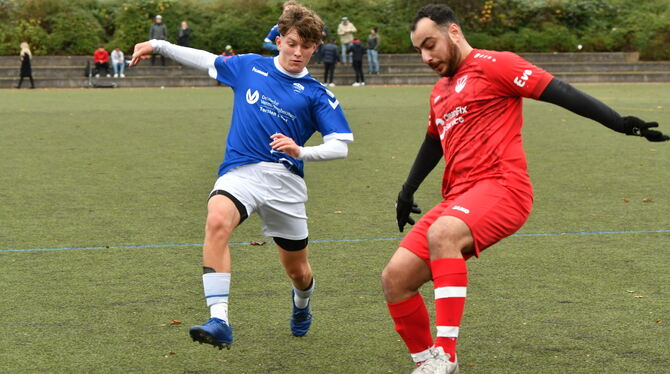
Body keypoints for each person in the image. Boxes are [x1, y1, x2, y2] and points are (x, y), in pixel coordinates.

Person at [381, 4, 669, 374]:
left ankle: (445, 352)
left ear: (453, 32)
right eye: (418, 49)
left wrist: (620, 123)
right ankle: (428, 363)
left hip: (503, 188)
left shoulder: (495, 64)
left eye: (430, 44)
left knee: (443, 234)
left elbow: (558, 91)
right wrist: (406, 192)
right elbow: (433, 143)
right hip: (460, 197)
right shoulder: (439, 92)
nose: (425, 56)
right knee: (395, 278)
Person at [130, 0, 353, 350]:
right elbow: (206, 60)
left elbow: (340, 145)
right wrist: (158, 45)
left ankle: (302, 304)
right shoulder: (249, 66)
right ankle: (219, 320)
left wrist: (300, 151)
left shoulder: (317, 94)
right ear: (279, 40)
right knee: (217, 219)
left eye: (306, 47)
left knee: (299, 271)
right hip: (241, 171)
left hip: (285, 182)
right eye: (292, 43)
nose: (298, 53)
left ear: (315, 47)